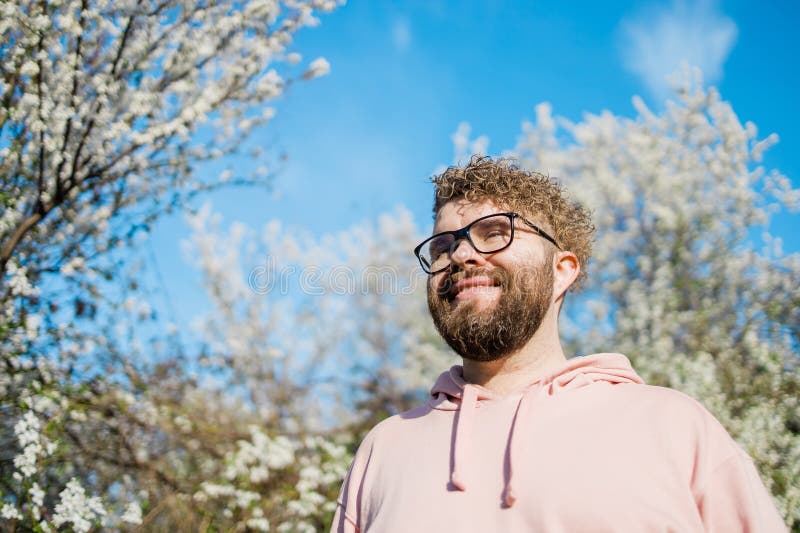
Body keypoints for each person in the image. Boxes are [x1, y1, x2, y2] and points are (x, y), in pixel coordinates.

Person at [330, 156, 787, 532]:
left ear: (561, 271)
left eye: (496, 233)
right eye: (444, 247)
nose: (463, 255)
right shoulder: (385, 448)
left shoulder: (674, 426)